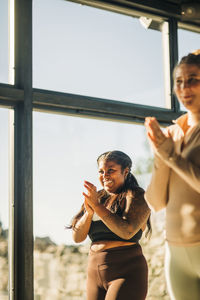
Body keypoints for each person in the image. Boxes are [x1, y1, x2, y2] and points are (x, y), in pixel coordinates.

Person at [144, 50, 200, 300]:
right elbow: (155, 202)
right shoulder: (173, 134)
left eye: (193, 79)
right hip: (175, 252)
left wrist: (171, 156)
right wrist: (160, 154)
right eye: (179, 81)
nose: (184, 87)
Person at [68, 150, 151, 300]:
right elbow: (77, 237)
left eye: (110, 170)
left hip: (127, 270)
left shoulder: (137, 195)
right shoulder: (96, 197)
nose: (105, 175)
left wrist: (96, 207)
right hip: (94, 271)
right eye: (101, 171)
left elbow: (127, 231)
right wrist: (89, 212)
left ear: (125, 172)